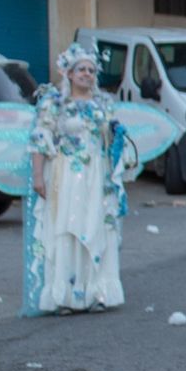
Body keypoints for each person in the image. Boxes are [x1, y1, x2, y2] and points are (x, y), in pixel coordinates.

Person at [26, 43, 128, 314]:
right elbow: (40, 139)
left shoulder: (103, 105)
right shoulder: (55, 103)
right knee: (66, 229)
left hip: (97, 176)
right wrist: (38, 175)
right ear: (69, 73)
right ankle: (65, 296)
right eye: (81, 69)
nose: (87, 74)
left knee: (96, 227)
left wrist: (118, 137)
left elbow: (111, 142)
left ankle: (97, 292)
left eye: (92, 70)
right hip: (66, 177)